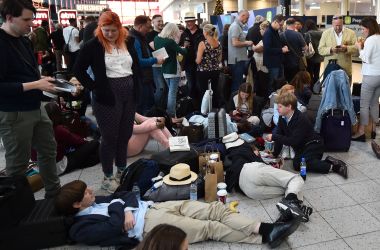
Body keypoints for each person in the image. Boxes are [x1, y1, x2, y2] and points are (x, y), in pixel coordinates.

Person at [55, 179, 301, 249]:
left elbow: (126, 194)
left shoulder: (96, 202)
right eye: (86, 193)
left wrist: (122, 206)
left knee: (214, 208)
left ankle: (266, 228)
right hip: (150, 226)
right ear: (77, 205)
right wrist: (120, 206)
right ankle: (263, 236)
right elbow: (113, 226)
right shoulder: (80, 228)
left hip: (150, 208)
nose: (91, 191)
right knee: (208, 228)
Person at [0, 0, 61, 198]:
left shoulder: (24, 39)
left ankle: (55, 196)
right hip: (14, 112)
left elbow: (25, 74)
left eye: (31, 19)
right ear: (9, 18)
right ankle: (18, 207)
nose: (31, 24)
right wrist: (36, 85)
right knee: (18, 163)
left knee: (48, 150)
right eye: (26, 19)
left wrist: (41, 79)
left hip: (36, 106)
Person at [74, 11, 139, 193]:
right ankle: (107, 176)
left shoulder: (128, 41)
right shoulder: (92, 45)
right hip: (107, 94)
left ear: (120, 28)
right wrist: (94, 87)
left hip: (129, 91)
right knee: (110, 137)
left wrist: (138, 87)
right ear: (100, 29)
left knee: (125, 134)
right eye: (105, 30)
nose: (109, 34)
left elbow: (135, 66)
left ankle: (121, 169)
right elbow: (78, 69)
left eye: (113, 30)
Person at [223, 133, 310, 222]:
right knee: (296, 179)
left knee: (289, 188)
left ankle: (291, 211)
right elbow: (260, 165)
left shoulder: (230, 153)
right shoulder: (246, 147)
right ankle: (292, 204)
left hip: (248, 190)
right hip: (252, 170)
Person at [266, 92, 348, 178]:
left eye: (280, 107)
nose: (277, 109)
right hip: (302, 147)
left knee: (300, 165)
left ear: (289, 107)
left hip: (314, 145)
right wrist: (275, 154)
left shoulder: (301, 119)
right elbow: (280, 134)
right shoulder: (282, 117)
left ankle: (334, 166)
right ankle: (328, 160)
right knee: (299, 165)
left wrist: (274, 136)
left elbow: (293, 141)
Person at [31, 102, 100, 175]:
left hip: (39, 167)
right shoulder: (58, 129)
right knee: (95, 143)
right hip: (57, 166)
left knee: (88, 154)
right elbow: (79, 142)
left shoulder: (36, 128)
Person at [351, 17, 380, 142]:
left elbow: (365, 58)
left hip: (370, 76)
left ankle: (361, 132)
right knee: (374, 103)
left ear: (369, 28)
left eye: (363, 29)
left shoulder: (370, 40)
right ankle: (373, 129)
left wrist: (359, 47)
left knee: (364, 105)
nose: (362, 31)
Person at [129, 15, 164, 115]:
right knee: (145, 107)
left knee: (147, 105)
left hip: (144, 77)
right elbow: (138, 61)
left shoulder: (138, 37)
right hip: (141, 78)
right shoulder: (135, 39)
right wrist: (155, 60)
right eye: (148, 27)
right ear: (140, 26)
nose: (149, 30)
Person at [154, 23, 187, 117]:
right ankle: (171, 114)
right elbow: (183, 52)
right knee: (172, 94)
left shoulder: (157, 39)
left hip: (164, 69)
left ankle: (170, 114)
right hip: (173, 69)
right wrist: (185, 47)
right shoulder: (170, 42)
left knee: (170, 92)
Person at [318, 15, 358, 83]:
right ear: (332, 23)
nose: (338, 27)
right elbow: (320, 50)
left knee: (345, 91)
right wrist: (330, 49)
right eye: (336, 25)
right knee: (330, 91)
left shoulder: (351, 33)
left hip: (345, 69)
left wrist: (347, 48)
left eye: (340, 25)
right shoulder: (326, 33)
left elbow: (357, 49)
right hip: (330, 68)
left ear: (343, 23)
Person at [179, 12, 204, 105]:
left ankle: (201, 105)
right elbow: (180, 48)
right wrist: (183, 46)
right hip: (189, 64)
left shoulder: (201, 32)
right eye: (187, 22)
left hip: (201, 63)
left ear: (194, 21)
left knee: (200, 85)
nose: (188, 23)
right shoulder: (184, 33)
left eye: (190, 21)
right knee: (191, 85)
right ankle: (192, 105)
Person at [196, 24, 221, 108]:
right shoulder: (218, 43)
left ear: (206, 32)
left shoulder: (202, 44)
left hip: (203, 71)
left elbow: (198, 61)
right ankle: (214, 108)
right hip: (215, 71)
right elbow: (219, 59)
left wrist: (195, 60)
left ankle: (204, 110)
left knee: (204, 91)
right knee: (214, 90)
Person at [228, 10, 253, 92]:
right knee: (237, 83)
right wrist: (247, 43)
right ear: (242, 16)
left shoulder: (238, 26)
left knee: (237, 82)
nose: (248, 19)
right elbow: (234, 43)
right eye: (247, 17)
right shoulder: (235, 26)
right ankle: (235, 102)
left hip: (238, 59)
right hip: (237, 59)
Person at [263, 14, 288, 95]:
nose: (281, 27)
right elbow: (267, 49)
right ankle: (271, 102)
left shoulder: (275, 32)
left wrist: (282, 47)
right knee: (272, 84)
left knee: (279, 83)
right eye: (280, 24)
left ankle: (278, 100)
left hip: (278, 62)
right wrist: (281, 50)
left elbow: (275, 45)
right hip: (272, 63)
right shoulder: (268, 33)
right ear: (275, 22)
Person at [147, 14, 166, 109]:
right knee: (161, 88)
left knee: (167, 89)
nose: (161, 23)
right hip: (156, 65)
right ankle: (156, 109)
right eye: (158, 21)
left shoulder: (165, 33)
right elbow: (155, 47)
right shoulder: (150, 35)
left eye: (162, 21)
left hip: (167, 65)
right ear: (153, 22)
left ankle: (164, 109)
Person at [280, 18, 307, 82]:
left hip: (285, 61)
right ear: (294, 24)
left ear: (286, 25)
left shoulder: (281, 35)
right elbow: (305, 48)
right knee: (297, 80)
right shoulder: (298, 34)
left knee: (287, 79)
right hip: (296, 62)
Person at [252, 20, 270, 98]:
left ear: (265, 29)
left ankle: (262, 101)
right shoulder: (265, 38)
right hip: (260, 65)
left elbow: (257, 49)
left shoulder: (267, 39)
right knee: (260, 84)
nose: (260, 31)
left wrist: (251, 44)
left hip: (262, 66)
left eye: (261, 29)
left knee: (263, 85)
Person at [304, 19, 323, 85]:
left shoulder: (308, 33)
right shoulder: (321, 33)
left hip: (311, 56)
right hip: (319, 56)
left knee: (310, 73)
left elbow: (305, 44)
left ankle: (311, 87)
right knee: (317, 73)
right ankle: (317, 88)